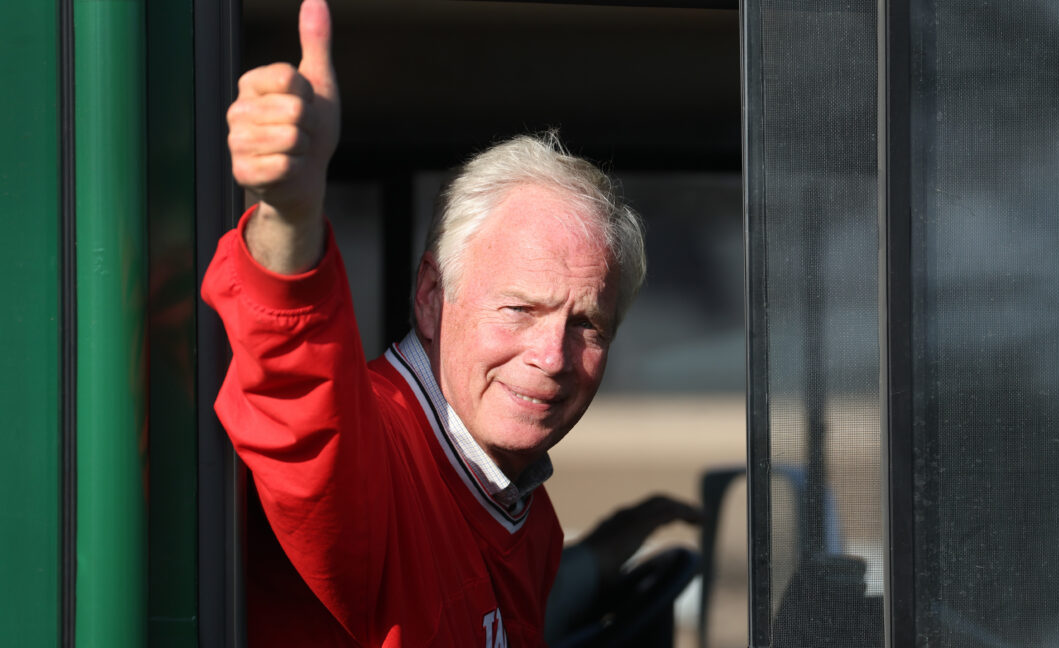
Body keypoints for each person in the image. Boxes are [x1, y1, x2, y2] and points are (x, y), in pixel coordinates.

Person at [204, 0, 698, 645]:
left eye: (587, 325)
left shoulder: (522, 510)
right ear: (433, 297)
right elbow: (300, 401)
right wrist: (290, 213)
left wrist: (601, 557)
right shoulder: (375, 447)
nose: (552, 355)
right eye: (519, 309)